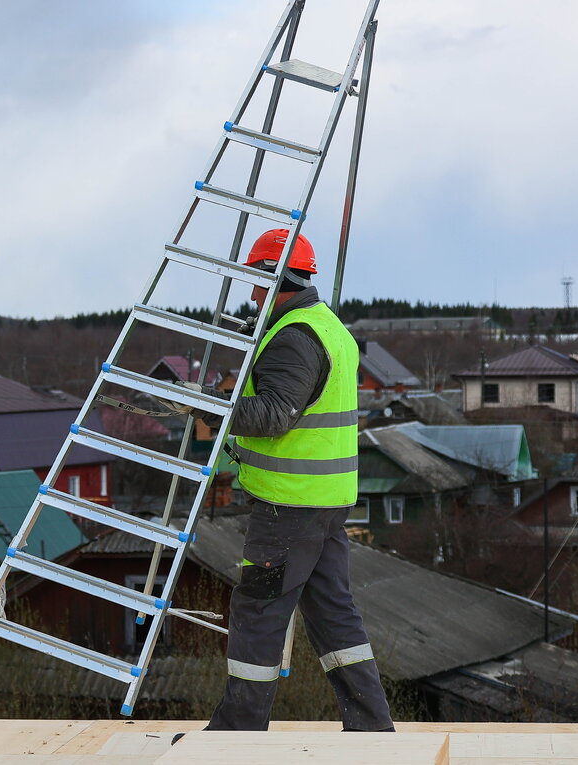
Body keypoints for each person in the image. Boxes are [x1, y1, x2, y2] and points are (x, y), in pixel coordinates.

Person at [201, 228, 393, 732]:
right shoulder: (325, 326)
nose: (252, 295)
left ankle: (236, 735)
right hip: (324, 503)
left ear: (276, 276)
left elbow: (271, 415)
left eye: (257, 283)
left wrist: (211, 405)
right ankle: (372, 728)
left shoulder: (294, 338)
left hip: (288, 507)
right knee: (333, 615)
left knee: (258, 612)